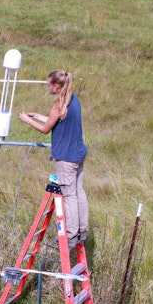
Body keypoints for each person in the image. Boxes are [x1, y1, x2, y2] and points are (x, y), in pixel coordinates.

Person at [20, 69, 89, 250]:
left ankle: (71, 236)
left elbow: (45, 129)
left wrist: (27, 120)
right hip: (78, 153)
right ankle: (83, 230)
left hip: (66, 158)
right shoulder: (72, 100)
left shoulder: (59, 104)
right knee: (79, 192)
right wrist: (38, 116)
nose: (48, 87)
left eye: (49, 84)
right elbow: (56, 121)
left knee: (69, 197)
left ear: (56, 86)